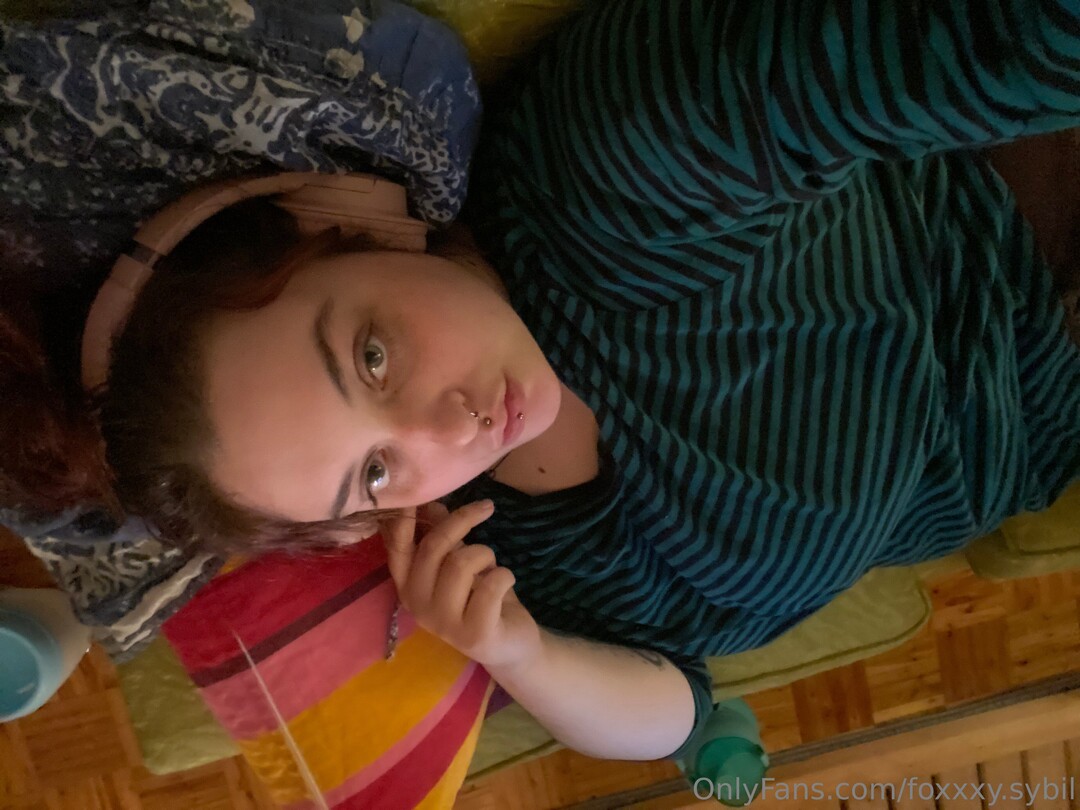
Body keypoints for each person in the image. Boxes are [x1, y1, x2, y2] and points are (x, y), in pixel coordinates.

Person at [6, 0, 1080, 762]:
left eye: (373, 355)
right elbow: (678, 711)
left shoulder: (613, 168)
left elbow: (961, 41)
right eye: (373, 473)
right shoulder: (498, 561)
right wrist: (517, 651)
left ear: (347, 224)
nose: (447, 428)